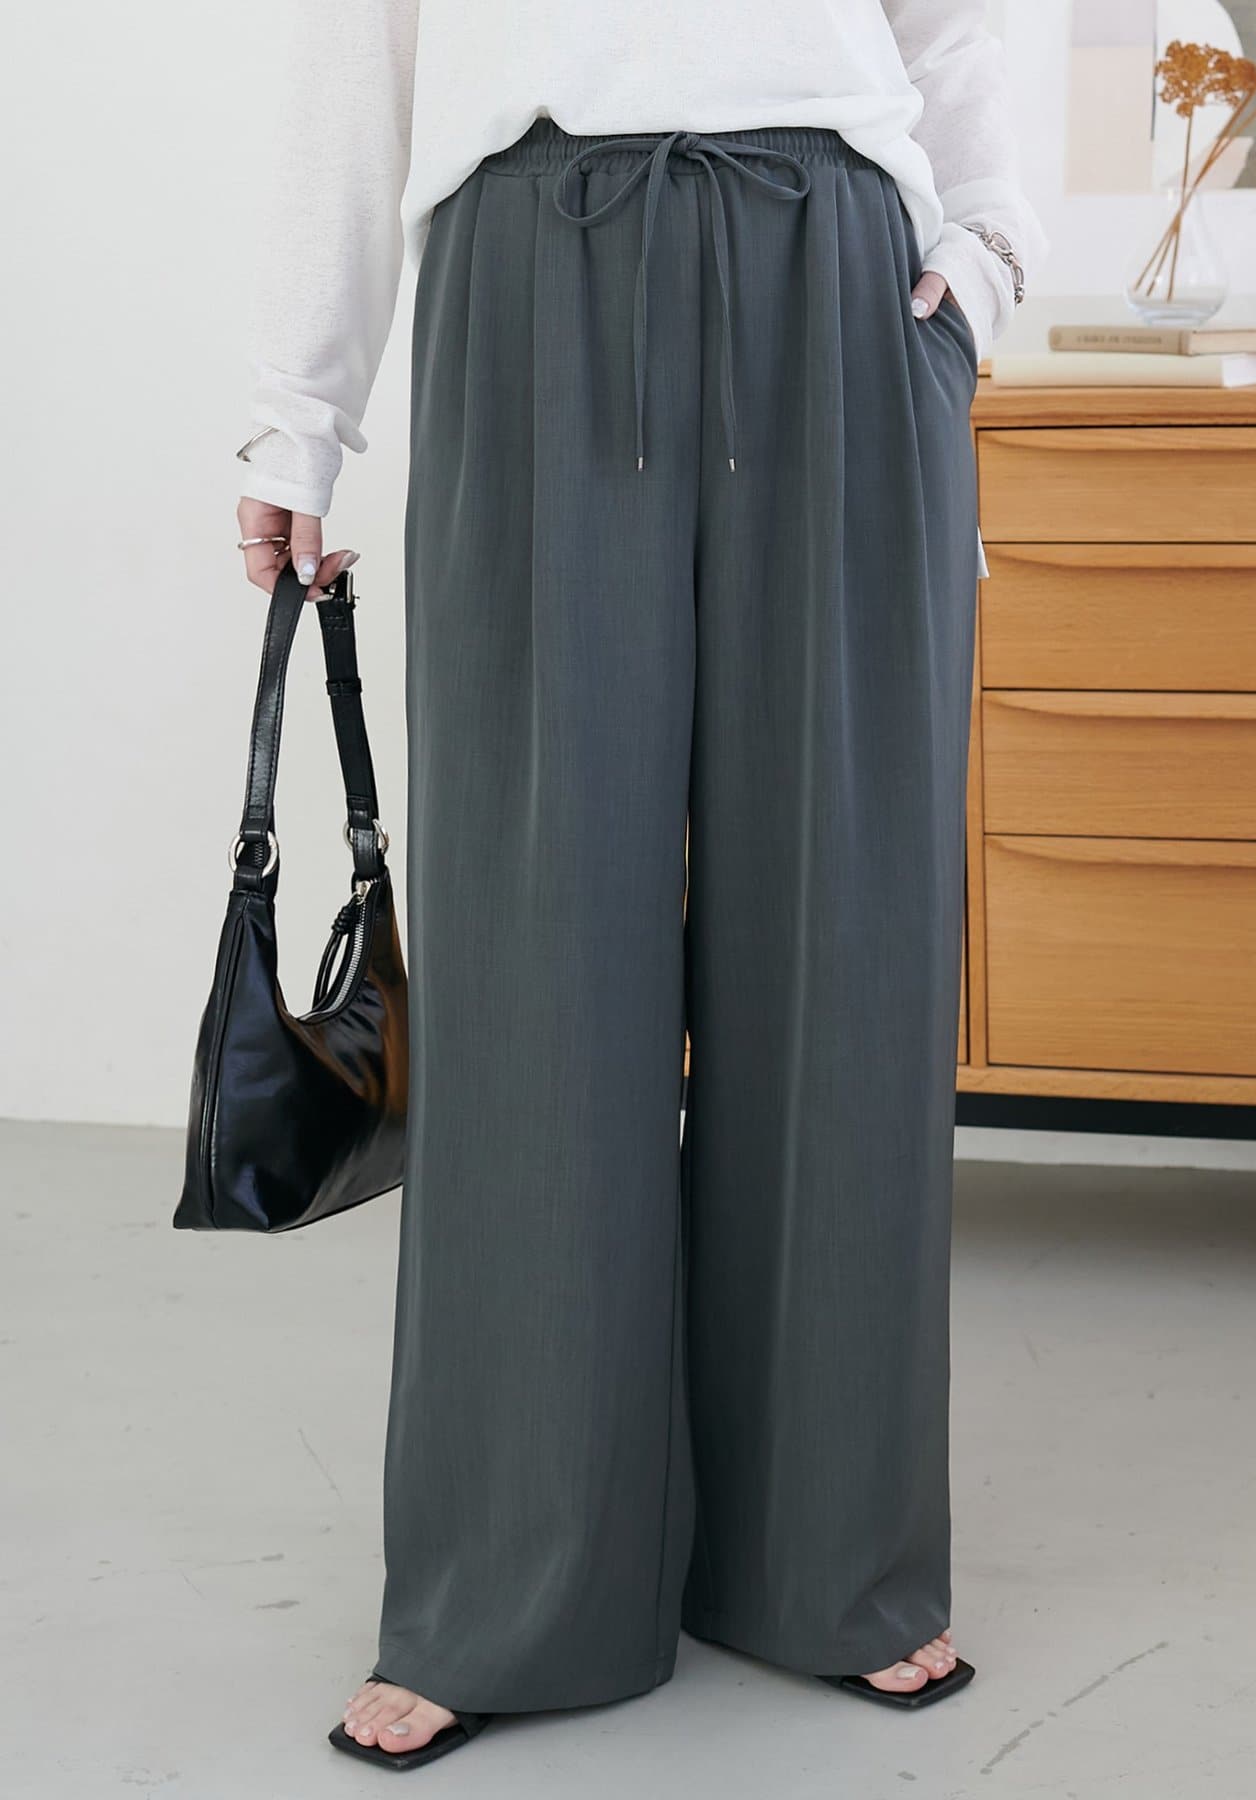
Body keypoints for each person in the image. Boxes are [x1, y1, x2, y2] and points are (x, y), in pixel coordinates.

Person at [234, 0, 1045, 1772]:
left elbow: (963, 19)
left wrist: (987, 250)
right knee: (533, 949)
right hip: (535, 266)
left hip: (839, 281)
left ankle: (834, 1557)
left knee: (845, 934)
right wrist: (301, 418)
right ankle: (511, 1584)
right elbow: (354, 49)